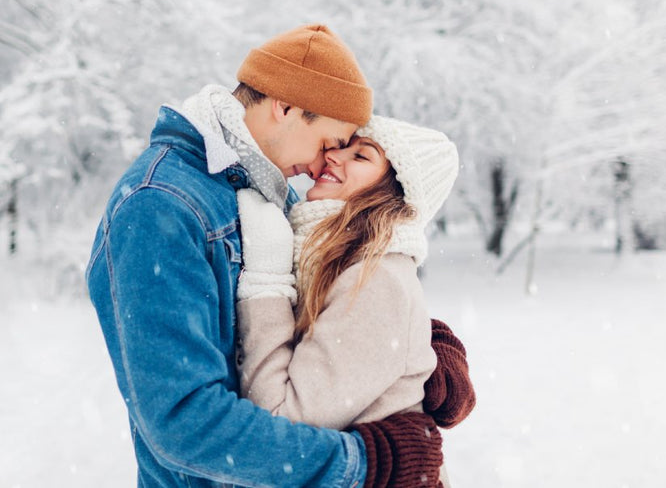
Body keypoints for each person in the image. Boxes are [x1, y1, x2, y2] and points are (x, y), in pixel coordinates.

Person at [85, 24, 449, 487]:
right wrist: (366, 463)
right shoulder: (160, 206)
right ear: (286, 106)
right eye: (327, 145)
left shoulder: (266, 190)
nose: (320, 166)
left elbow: (333, 301)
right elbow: (184, 421)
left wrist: (428, 355)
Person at [234, 116, 475, 487]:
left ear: (393, 195)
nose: (333, 156)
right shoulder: (336, 261)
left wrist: (266, 285)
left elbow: (282, 421)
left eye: (361, 156)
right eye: (343, 146)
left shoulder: (375, 279)